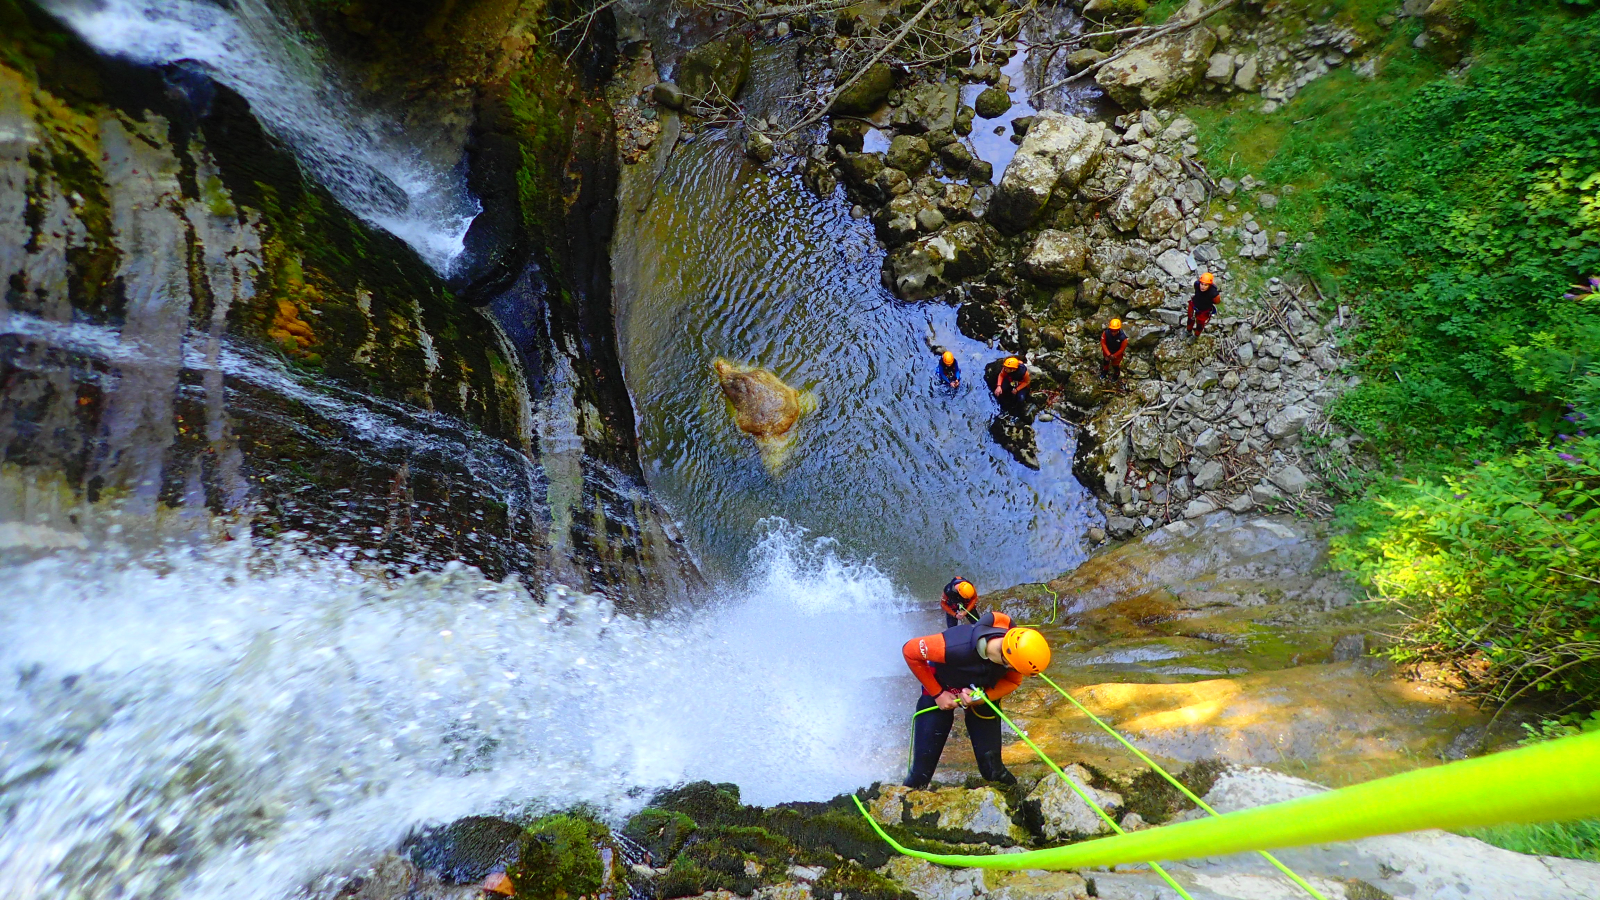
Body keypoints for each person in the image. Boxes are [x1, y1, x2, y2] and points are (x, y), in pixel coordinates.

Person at [901, 611, 1051, 788]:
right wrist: (938, 694)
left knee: (993, 771)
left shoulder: (1016, 656)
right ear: (1009, 662)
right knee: (920, 775)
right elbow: (910, 651)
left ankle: (1017, 800)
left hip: (981, 693)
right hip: (940, 688)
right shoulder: (954, 646)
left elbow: (1012, 681)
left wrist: (983, 698)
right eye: (1014, 668)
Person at [1188, 272, 1219, 337]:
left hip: (1204, 311)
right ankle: (1188, 331)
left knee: (1200, 325)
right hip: (1194, 305)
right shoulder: (1197, 284)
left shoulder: (1213, 293)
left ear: (1209, 285)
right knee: (1190, 319)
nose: (1203, 287)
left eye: (1205, 285)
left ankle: (1196, 335)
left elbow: (1217, 301)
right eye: (1202, 284)